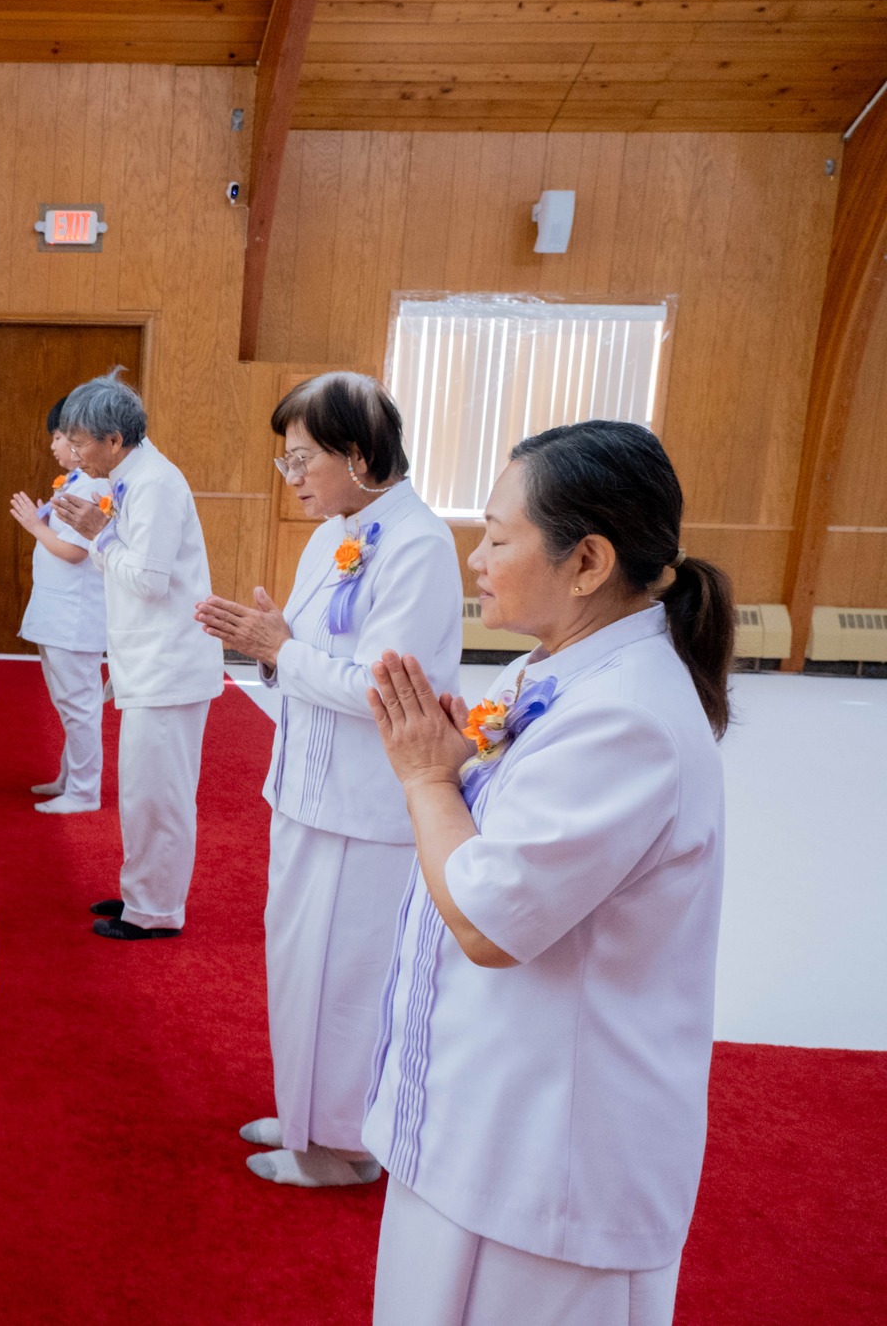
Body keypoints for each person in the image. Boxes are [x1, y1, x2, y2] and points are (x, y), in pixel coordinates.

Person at [361, 420, 730, 1325]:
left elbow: (490, 922)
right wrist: (455, 771)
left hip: (551, 1149)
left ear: (589, 560)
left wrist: (424, 776)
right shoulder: (556, 666)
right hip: (486, 1108)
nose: (476, 555)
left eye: (497, 534)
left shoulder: (628, 717)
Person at [194, 373, 461, 1188]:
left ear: (359, 453)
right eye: (286, 462)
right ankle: (308, 1109)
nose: (295, 476)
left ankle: (343, 1145)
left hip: (366, 804)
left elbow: (383, 686)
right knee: (298, 959)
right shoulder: (333, 533)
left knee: (347, 976)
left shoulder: (416, 544)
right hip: (305, 787)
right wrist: (278, 648)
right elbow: (307, 658)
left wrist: (280, 648)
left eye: (303, 458)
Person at [50, 370, 221, 940]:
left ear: (115, 441)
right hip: (148, 659)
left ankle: (156, 912)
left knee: (161, 796)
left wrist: (100, 534)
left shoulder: (155, 483)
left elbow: (147, 581)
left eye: (80, 442)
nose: (74, 453)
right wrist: (103, 534)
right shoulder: (135, 475)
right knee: (144, 792)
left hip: (168, 664)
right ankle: (140, 894)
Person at [6, 397, 109, 814]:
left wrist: (33, 524)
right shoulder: (76, 482)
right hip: (58, 610)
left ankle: (85, 791)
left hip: (75, 615)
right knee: (70, 703)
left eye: (60, 436)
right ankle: (71, 777)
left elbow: (74, 552)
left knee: (79, 704)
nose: (54, 445)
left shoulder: (95, 486)